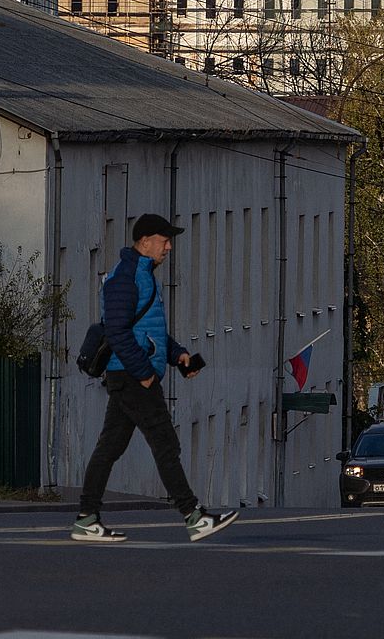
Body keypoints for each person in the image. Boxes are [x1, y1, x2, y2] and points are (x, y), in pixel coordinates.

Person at [72, 214, 238, 544]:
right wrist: (145, 373)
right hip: (132, 377)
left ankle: (86, 519)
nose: (169, 246)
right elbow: (117, 332)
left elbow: (149, 330)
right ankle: (194, 516)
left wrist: (178, 355)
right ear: (145, 241)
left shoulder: (145, 276)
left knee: (110, 448)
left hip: (130, 375)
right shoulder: (125, 277)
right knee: (165, 444)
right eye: (164, 240)